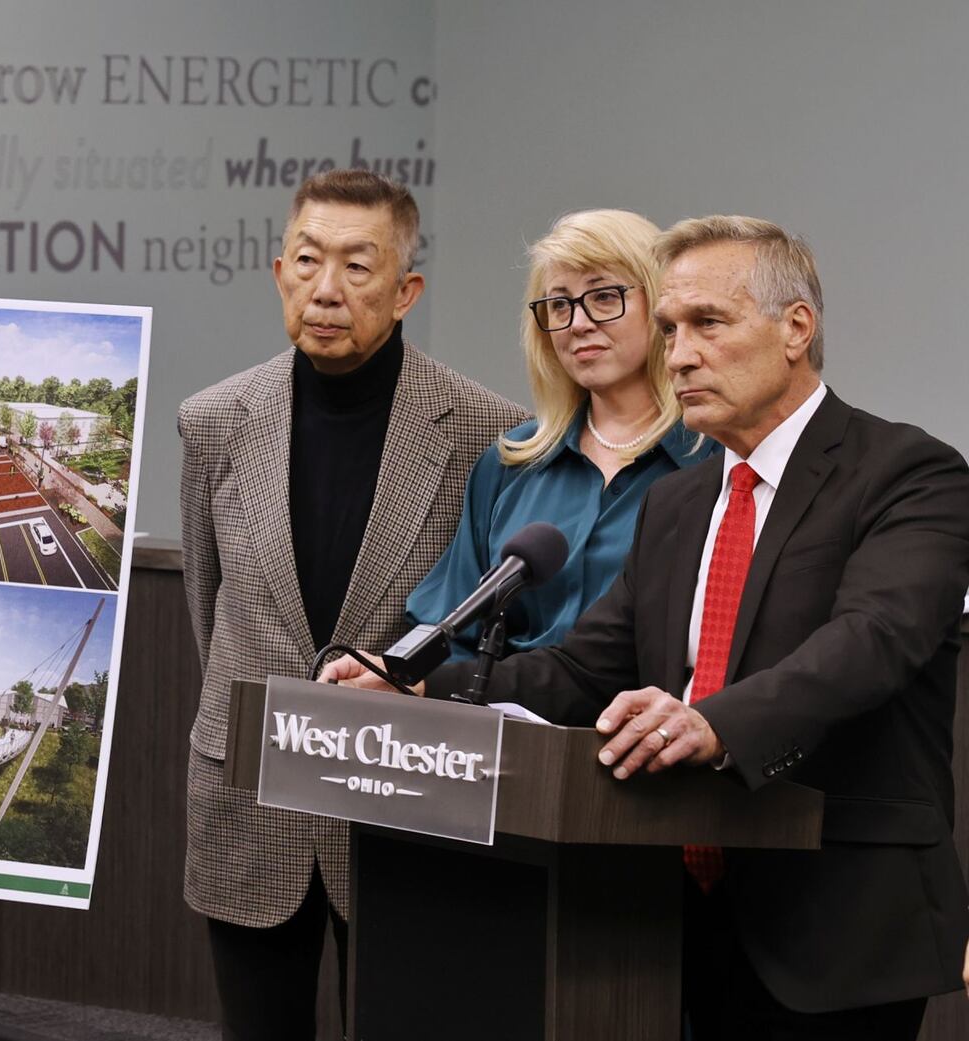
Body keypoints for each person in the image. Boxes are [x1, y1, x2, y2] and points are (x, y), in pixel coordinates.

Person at [324, 216, 969, 1039]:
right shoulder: (680, 502)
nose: (680, 353)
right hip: (663, 910)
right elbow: (583, 669)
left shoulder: (910, 473)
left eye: (708, 323)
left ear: (796, 328)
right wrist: (415, 681)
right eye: (669, 329)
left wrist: (713, 723)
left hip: (836, 914)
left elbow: (872, 641)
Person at [178, 168, 526, 1039]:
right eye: (308, 260)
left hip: (402, 807)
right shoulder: (214, 420)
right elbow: (205, 603)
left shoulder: (486, 431)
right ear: (279, 271)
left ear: (406, 290)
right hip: (249, 795)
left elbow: (487, 624)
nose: (327, 289)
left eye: (358, 267)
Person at [405, 210, 714, 656]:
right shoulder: (509, 464)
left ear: (660, 305)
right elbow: (445, 629)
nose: (578, 323)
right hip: (502, 718)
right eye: (559, 305)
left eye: (605, 296)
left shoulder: (717, 458)